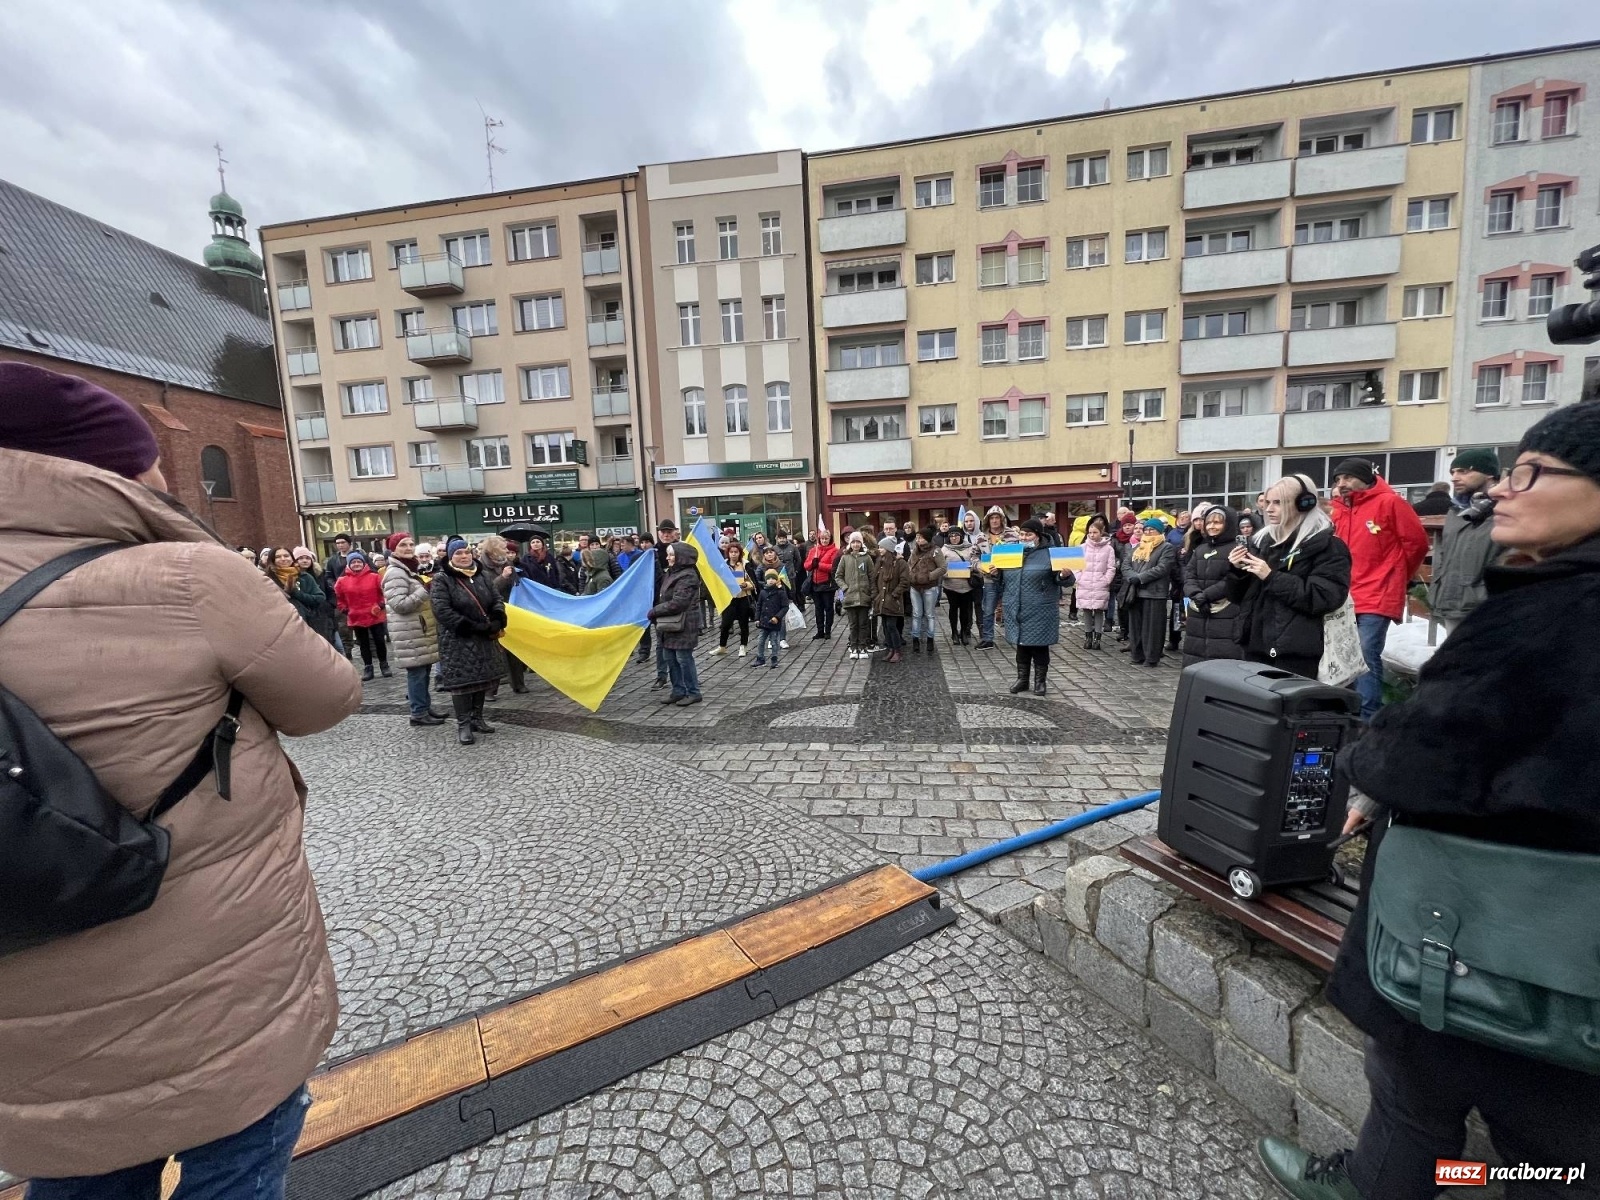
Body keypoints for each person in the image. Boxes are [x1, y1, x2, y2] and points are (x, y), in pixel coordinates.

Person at [0, 360, 361, 1197]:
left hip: (29, 1020)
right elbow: (328, 696)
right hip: (210, 982)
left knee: (83, 1170)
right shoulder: (186, 580)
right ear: (100, 474)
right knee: (235, 1162)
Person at [1257, 403, 1600, 1200]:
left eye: (1531, 474)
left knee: (1418, 1097)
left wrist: (1366, 758)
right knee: (1554, 1151)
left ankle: (1379, 1187)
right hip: (1557, 946)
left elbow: (1425, 755)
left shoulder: (1549, 612)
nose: (1499, 495)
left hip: (1475, 929)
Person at [1329, 458, 1430, 720]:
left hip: (1378, 591)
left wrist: (1398, 575)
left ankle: (1368, 716)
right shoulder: (1340, 509)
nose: (1342, 484)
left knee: (1365, 651)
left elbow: (1417, 543)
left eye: (1348, 478)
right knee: (1344, 653)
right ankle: (1347, 711)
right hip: (1345, 593)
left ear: (1366, 478)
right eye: (1338, 480)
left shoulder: (1390, 503)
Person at [1225, 475, 1352, 679]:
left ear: (1304, 504)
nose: (1269, 509)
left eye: (1278, 503)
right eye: (1267, 502)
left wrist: (1270, 577)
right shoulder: (1262, 542)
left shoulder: (1328, 547)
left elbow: (1324, 598)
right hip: (1256, 648)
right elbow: (1239, 598)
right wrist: (1237, 571)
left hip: (1298, 655)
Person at [429, 537, 507, 745]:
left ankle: (477, 718)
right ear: (450, 556)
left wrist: (498, 619)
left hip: (484, 638)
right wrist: (471, 626)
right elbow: (442, 610)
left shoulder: (481, 575)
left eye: (466, 552)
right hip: (458, 640)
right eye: (458, 553)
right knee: (463, 683)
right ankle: (463, 724)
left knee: (482, 678)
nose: (464, 556)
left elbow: (496, 598)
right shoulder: (442, 579)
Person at [1428, 449, 1502, 635]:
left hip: (1488, 607)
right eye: (1453, 472)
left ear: (1489, 475)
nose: (1455, 477)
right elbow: (1447, 555)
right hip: (1452, 602)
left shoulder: (1505, 510)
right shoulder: (1455, 511)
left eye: (1464, 471)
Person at [381, 532, 447, 725]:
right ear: (394, 549)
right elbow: (400, 605)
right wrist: (425, 590)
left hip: (418, 630)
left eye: (411, 544)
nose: (408, 548)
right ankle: (418, 713)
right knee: (417, 674)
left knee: (424, 671)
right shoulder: (395, 573)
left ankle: (424, 708)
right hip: (409, 631)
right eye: (403, 545)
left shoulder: (409, 569)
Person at [998, 518, 1071, 694]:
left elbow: (1066, 581)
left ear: (1038, 536)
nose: (1024, 537)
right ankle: (1022, 680)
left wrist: (1063, 575)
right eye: (1022, 534)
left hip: (1040, 608)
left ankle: (1040, 682)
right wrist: (995, 573)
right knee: (1021, 645)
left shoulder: (1051, 553)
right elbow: (1002, 581)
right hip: (1017, 607)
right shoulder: (1010, 553)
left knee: (1040, 646)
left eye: (1028, 534)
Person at [1180, 505, 1246, 668]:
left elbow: (1231, 579)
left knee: (1221, 659)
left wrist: (1207, 595)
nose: (1212, 526)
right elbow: (1189, 575)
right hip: (1198, 610)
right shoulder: (1201, 549)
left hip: (1225, 612)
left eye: (1217, 522)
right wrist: (1195, 594)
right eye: (1209, 522)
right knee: (1196, 659)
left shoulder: (1236, 549)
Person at [647, 541, 704, 706]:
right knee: (670, 657)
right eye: (668, 554)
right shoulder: (671, 573)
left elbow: (679, 602)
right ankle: (678, 690)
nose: (668, 557)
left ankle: (693, 692)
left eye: (672, 555)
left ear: (681, 557)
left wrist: (655, 611)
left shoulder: (688, 575)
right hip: (669, 624)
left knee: (683, 658)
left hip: (684, 623)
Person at [1123, 518, 1176, 668]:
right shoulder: (1137, 547)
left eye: (1151, 530)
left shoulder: (1166, 547)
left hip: (1155, 593)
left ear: (1159, 531)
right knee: (1136, 627)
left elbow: (1162, 568)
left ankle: (1151, 657)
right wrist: (1131, 576)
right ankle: (1137, 654)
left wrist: (1139, 578)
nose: (1147, 532)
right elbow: (1126, 564)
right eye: (1146, 529)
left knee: (1153, 628)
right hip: (1135, 592)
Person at [333, 550, 390, 680]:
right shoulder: (342, 581)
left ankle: (384, 664)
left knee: (379, 641)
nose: (356, 564)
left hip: (375, 614)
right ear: (348, 565)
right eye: (353, 562)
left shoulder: (375, 577)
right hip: (356, 616)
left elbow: (383, 593)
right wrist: (344, 609)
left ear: (364, 563)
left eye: (359, 561)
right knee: (363, 643)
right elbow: (339, 598)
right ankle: (368, 667)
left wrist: (380, 605)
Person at [1074, 515, 1117, 649]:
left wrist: (1106, 580)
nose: (1092, 535)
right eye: (1090, 532)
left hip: (1100, 583)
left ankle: (1098, 637)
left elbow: (1111, 567)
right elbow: (1076, 565)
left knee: (1099, 611)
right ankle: (1088, 637)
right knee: (1086, 611)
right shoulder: (1082, 548)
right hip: (1085, 583)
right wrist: (1079, 578)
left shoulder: (1109, 548)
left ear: (1101, 532)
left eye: (1095, 532)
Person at [837, 531, 878, 660]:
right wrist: (845, 588)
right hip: (850, 597)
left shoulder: (866, 558)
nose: (855, 544)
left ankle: (862, 646)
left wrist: (872, 593)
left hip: (864, 597)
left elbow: (872, 577)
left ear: (861, 543)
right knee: (853, 624)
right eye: (853, 542)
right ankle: (853, 647)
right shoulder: (845, 558)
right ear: (850, 544)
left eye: (858, 542)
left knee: (863, 624)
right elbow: (838, 576)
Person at [906, 527, 946, 654]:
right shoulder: (914, 551)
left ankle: (930, 639)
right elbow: (909, 565)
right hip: (915, 586)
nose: (918, 540)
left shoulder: (936, 551)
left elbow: (942, 568)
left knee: (929, 614)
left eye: (921, 537)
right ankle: (915, 639)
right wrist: (911, 576)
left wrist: (929, 576)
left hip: (930, 586)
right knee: (916, 614)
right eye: (917, 537)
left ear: (927, 538)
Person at [872, 537, 912, 663]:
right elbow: (874, 580)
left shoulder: (900, 563)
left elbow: (905, 581)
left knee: (891, 625)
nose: (880, 550)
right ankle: (890, 649)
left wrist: (894, 594)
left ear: (888, 548)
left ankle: (897, 650)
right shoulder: (880, 562)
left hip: (893, 600)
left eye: (882, 547)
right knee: (885, 626)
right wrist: (876, 595)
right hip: (881, 599)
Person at [975, 506, 1010, 648]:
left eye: (997, 518)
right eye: (992, 518)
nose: (994, 521)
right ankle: (988, 638)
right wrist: (981, 567)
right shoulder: (981, 537)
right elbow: (974, 557)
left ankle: (1013, 636)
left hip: (1008, 578)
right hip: (989, 579)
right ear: (987, 520)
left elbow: (1019, 555)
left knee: (1011, 609)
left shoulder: (1012, 535)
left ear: (1002, 520)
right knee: (988, 610)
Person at [712, 542, 754, 656]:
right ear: (728, 553)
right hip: (729, 599)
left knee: (743, 624)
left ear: (740, 553)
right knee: (725, 624)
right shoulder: (723, 565)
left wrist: (745, 585)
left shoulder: (745, 564)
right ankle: (722, 646)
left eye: (736, 552)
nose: (734, 554)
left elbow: (752, 583)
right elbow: (719, 582)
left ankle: (743, 647)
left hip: (743, 597)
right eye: (731, 552)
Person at [940, 525, 978, 645]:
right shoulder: (944, 549)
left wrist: (973, 568)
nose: (954, 537)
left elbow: (975, 561)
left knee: (965, 611)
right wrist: (945, 573)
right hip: (951, 585)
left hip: (966, 585)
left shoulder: (970, 547)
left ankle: (963, 632)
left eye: (956, 535)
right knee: (953, 609)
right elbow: (940, 566)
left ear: (961, 536)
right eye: (951, 535)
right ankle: (954, 632)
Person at [804, 528, 840, 640]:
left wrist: (819, 565)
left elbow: (833, 567)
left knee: (828, 608)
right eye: (822, 538)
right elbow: (806, 565)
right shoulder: (813, 550)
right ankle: (820, 631)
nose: (824, 541)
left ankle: (827, 631)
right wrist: (812, 563)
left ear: (830, 539)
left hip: (827, 584)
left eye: (826, 538)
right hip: (815, 583)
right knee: (818, 609)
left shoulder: (835, 551)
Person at [753, 567, 789, 668]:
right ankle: (760, 658)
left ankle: (774, 658)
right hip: (764, 622)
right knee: (760, 640)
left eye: (773, 578)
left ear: (776, 579)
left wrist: (777, 617)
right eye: (769, 578)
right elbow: (759, 606)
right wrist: (757, 618)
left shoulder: (780, 592)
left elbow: (785, 607)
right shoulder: (763, 592)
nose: (771, 580)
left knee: (774, 641)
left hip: (774, 622)